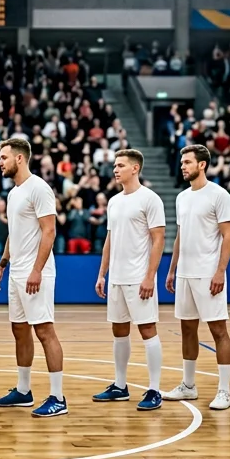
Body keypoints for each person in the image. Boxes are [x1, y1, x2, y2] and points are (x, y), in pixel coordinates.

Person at [0, 137, 67, 418]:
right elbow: (15, 233)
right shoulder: (13, 193)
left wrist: (36, 270)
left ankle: (58, 397)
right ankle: (23, 391)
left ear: (19, 158)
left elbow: (49, 231)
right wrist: (2, 266)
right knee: (19, 329)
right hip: (17, 272)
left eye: (3, 157)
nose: (0, 162)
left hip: (37, 272)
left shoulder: (39, 189)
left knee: (44, 331)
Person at [92, 149, 167, 411]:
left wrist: (149, 276)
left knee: (147, 330)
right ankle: (120, 386)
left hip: (139, 278)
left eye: (120, 165)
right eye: (115, 165)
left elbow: (159, 238)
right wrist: (103, 273)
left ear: (135, 168)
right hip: (117, 278)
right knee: (119, 330)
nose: (115, 169)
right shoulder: (114, 201)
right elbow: (110, 240)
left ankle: (154, 389)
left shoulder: (150, 199)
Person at [163, 144, 230, 410]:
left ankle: (225, 391)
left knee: (218, 330)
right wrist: (172, 269)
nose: (183, 166)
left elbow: (229, 235)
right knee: (187, 329)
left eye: (187, 162)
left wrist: (220, 271)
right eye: (182, 162)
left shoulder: (219, 195)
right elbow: (181, 236)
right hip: (185, 273)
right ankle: (188, 385)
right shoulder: (182, 197)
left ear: (202, 165)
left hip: (208, 273)